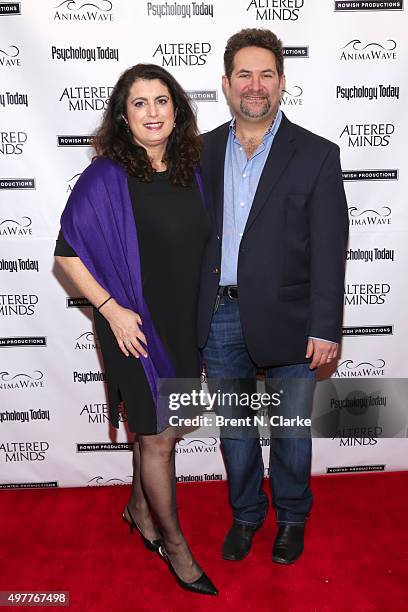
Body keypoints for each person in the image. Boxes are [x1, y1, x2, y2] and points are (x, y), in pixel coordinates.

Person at [54, 64, 217, 596]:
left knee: (160, 433)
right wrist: (111, 310)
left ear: (177, 110)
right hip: (133, 328)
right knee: (158, 441)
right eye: (140, 103)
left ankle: (138, 510)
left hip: (181, 322)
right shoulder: (108, 174)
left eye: (162, 101)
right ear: (124, 117)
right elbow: (66, 255)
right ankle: (174, 546)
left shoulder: (190, 168)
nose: (153, 112)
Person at [198, 29, 349, 564]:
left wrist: (326, 327)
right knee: (236, 434)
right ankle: (245, 515)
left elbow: (332, 249)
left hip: (292, 318)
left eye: (266, 74)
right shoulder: (201, 151)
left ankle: (290, 517)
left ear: (282, 82)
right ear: (226, 83)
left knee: (290, 433)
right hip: (217, 316)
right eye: (244, 74)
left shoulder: (316, 155)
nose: (255, 85)